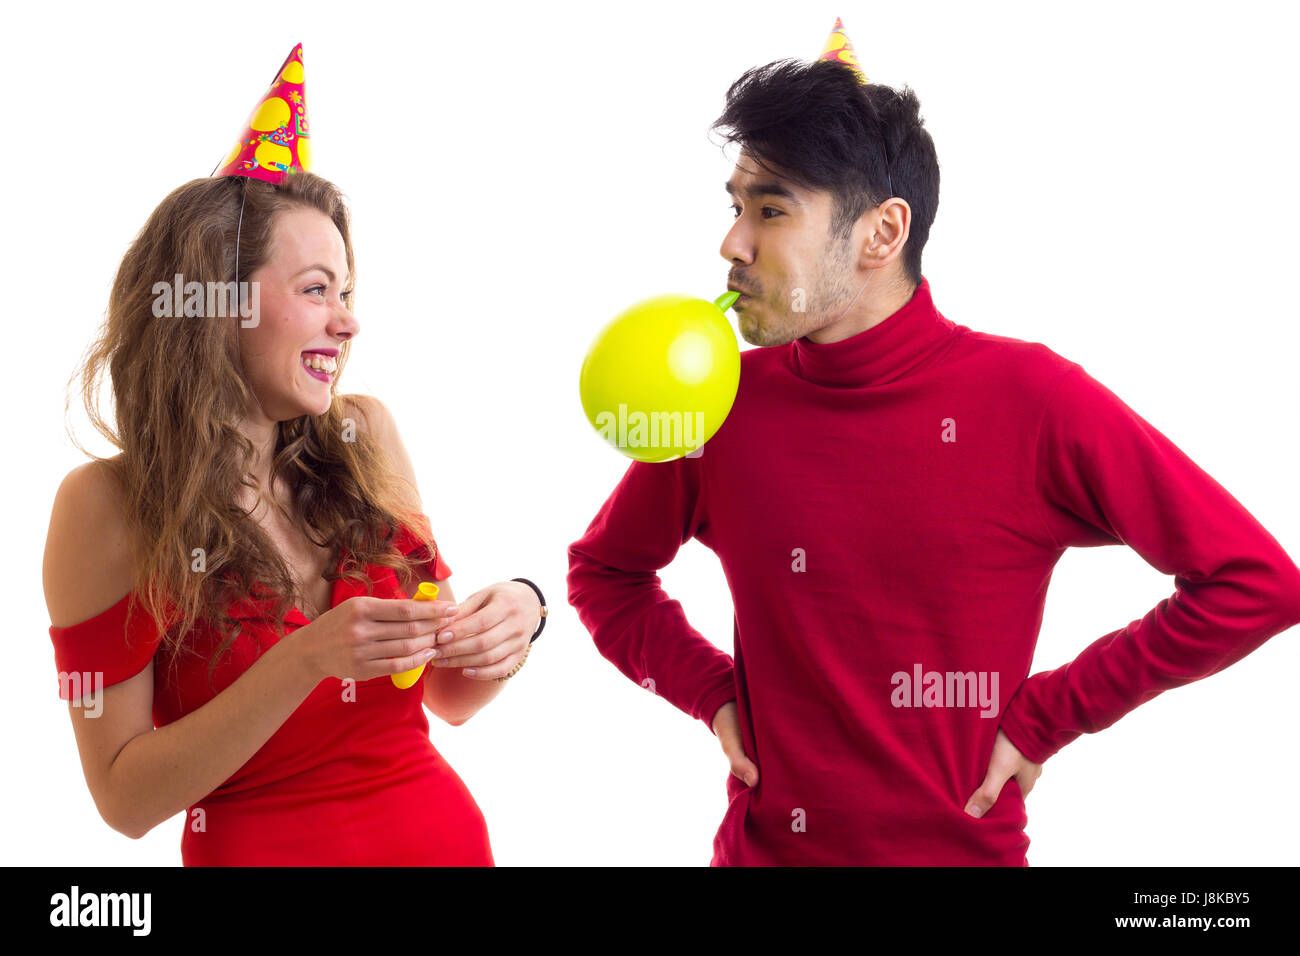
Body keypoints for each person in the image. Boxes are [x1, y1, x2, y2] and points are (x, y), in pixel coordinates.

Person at [566, 56, 1300, 865]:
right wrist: (711, 695)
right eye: (737, 204)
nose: (731, 242)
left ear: (882, 232)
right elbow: (605, 573)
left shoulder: (1032, 397)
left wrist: (1051, 715)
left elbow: (1254, 582)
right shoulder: (720, 403)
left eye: (771, 209)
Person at [44, 46, 546, 865]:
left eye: (346, 294)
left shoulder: (365, 437)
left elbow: (451, 693)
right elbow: (124, 799)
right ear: (216, 307)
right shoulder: (104, 505)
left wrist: (520, 616)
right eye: (316, 290)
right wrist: (309, 658)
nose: (347, 323)